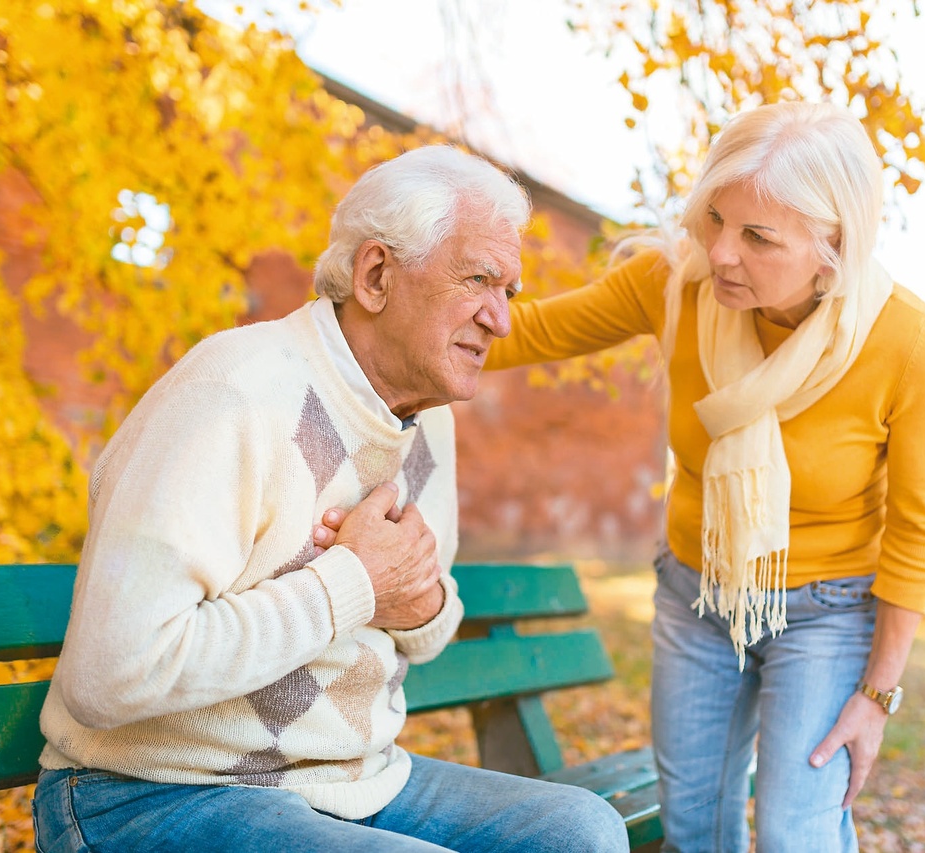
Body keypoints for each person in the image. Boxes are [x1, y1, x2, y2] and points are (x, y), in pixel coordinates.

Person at [32, 144, 629, 853]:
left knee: (583, 831)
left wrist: (419, 600)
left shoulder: (425, 417)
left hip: (351, 780)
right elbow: (110, 674)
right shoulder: (232, 395)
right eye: (478, 279)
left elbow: (426, 617)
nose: (500, 320)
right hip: (147, 791)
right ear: (376, 274)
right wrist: (352, 584)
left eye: (510, 292)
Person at [482, 102, 925, 852]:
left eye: (758, 237)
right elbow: (534, 330)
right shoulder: (679, 283)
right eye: (715, 218)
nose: (720, 252)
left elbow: (916, 532)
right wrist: (388, 336)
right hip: (697, 593)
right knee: (695, 827)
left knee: (795, 831)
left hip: (829, 613)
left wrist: (876, 695)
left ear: (832, 245)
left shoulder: (910, 344)